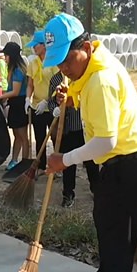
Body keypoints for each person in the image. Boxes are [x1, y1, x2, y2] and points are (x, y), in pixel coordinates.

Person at [44, 13, 137, 272]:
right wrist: (72, 96)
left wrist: (63, 160)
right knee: (105, 224)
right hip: (118, 162)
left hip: (129, 161)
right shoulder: (93, 67)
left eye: (67, 60)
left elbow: (105, 141)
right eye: (58, 63)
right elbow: (91, 102)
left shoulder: (101, 80)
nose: (63, 69)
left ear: (85, 47)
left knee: (118, 233)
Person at [46, 70, 99, 207]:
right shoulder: (55, 80)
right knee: (67, 164)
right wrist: (54, 109)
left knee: (91, 162)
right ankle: (68, 194)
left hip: (82, 128)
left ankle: (97, 190)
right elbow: (50, 101)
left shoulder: (82, 77)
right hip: (65, 130)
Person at [26, 31, 59, 174]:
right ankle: (41, 166)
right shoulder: (32, 63)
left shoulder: (53, 62)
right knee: (39, 138)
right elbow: (30, 84)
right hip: (36, 107)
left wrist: (48, 101)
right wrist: (27, 99)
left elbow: (59, 84)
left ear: (44, 45)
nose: (33, 48)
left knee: (55, 136)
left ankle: (57, 166)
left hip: (51, 106)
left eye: (36, 45)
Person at [0, 42, 29, 170]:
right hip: (14, 104)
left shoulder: (18, 70)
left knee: (23, 136)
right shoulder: (13, 69)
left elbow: (15, 91)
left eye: (6, 55)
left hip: (19, 104)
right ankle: (14, 160)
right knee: (17, 135)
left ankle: (25, 163)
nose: (4, 58)